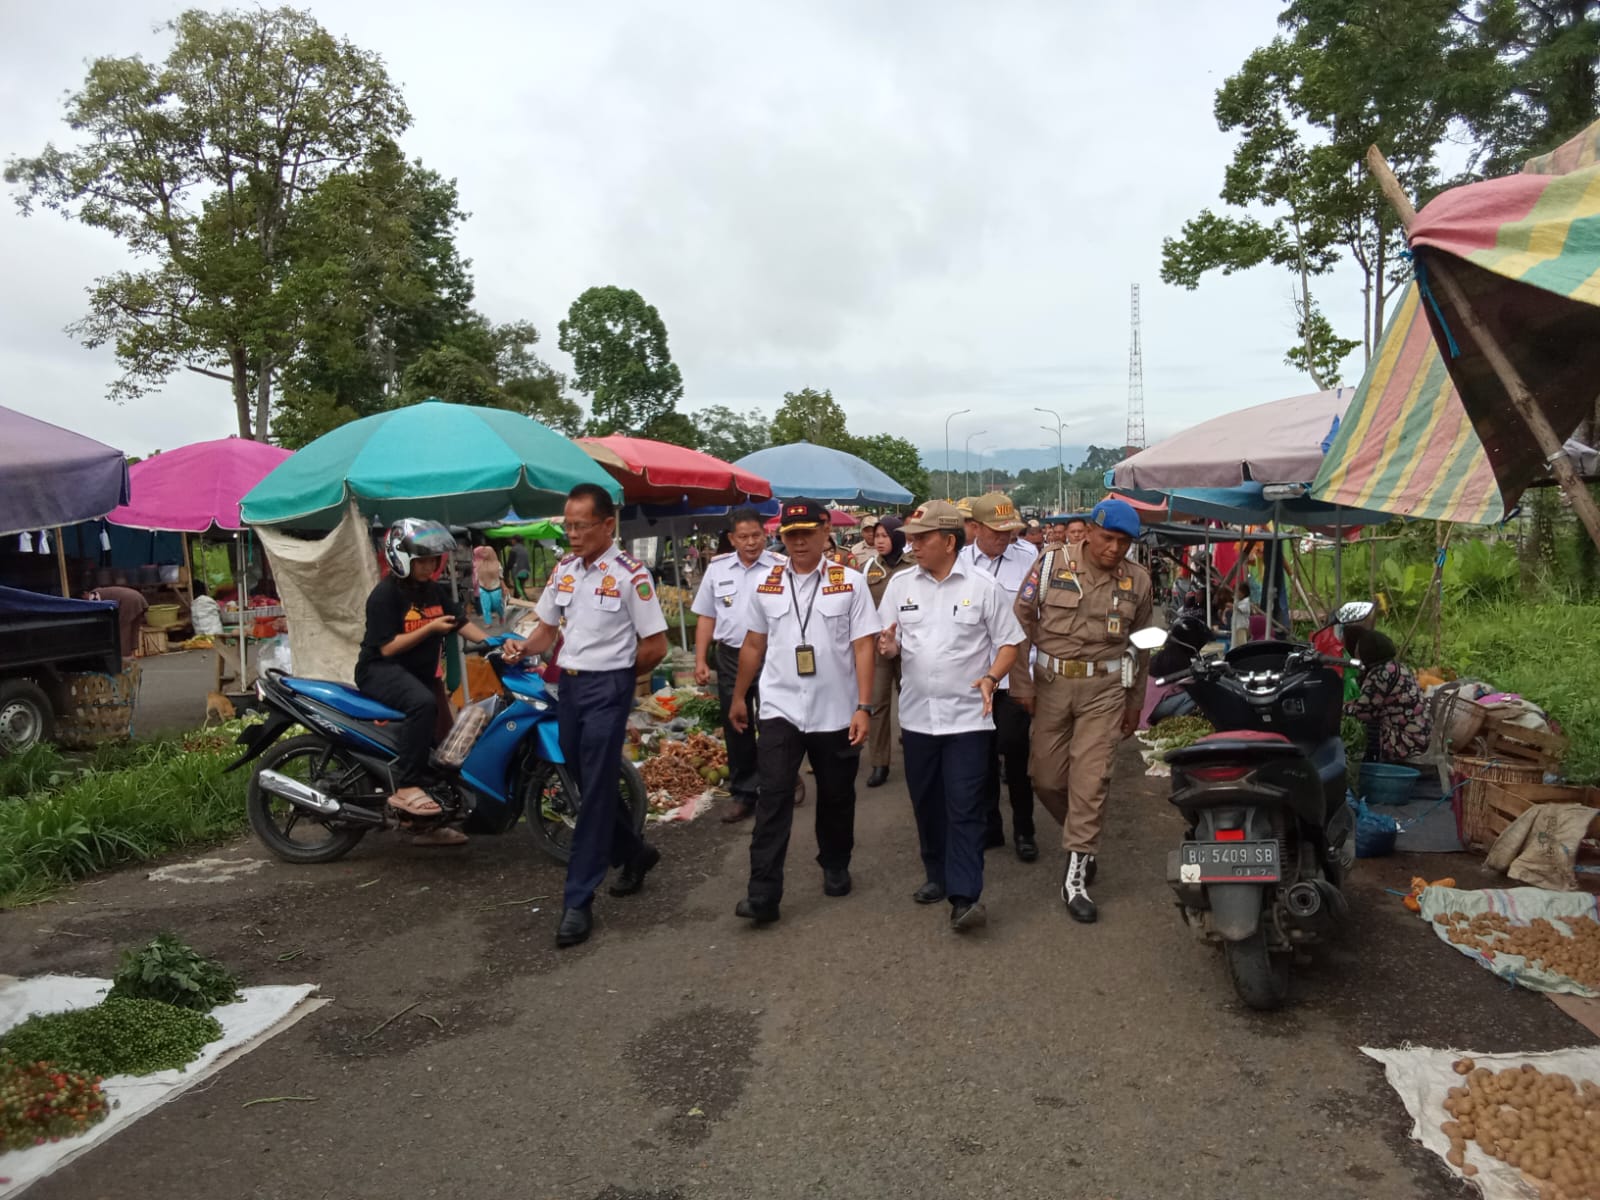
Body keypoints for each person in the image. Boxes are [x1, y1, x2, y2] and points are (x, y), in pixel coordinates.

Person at [508, 484, 670, 948]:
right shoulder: (564, 570)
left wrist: (621, 678)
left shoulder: (630, 575)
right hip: (571, 687)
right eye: (567, 524)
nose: (572, 533)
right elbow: (545, 630)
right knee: (582, 777)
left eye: (580, 525)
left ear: (607, 525)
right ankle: (636, 854)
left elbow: (655, 645)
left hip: (608, 687)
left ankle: (577, 900)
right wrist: (523, 647)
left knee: (595, 790)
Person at [728, 498, 880, 925]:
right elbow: (754, 643)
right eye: (791, 534)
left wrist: (864, 706)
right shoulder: (766, 585)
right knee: (772, 796)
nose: (798, 542)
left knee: (836, 795)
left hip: (835, 709)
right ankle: (763, 894)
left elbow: (863, 645)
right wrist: (740, 696)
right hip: (781, 707)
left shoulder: (849, 583)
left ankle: (835, 861)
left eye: (807, 533)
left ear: (825, 530)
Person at [877, 501, 1025, 930]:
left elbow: (1010, 643)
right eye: (911, 536)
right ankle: (936, 874)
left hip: (968, 720)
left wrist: (992, 677)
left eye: (921, 537)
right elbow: (889, 641)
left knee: (964, 805)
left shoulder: (982, 587)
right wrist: (890, 649)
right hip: (918, 717)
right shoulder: (901, 585)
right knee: (926, 803)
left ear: (948, 540)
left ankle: (965, 895)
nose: (913, 544)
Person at [1012, 498, 1154, 923]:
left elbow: (1142, 645)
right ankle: (1082, 836)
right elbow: (1020, 619)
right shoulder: (1052, 564)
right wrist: (1021, 682)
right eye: (1108, 538)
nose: (1114, 549)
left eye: (1124, 542)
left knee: (1090, 780)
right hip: (1051, 685)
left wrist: (1135, 703)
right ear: (1090, 531)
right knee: (1046, 778)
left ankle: (1076, 875)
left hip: (1105, 689)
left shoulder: (1138, 581)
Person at [355, 519, 498, 845]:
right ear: (401, 558)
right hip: (379, 670)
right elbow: (387, 647)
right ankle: (406, 788)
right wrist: (430, 629)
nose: (430, 566)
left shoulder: (434, 591)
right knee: (422, 704)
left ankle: (426, 826)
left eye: (433, 560)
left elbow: (460, 622)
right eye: (422, 560)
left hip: (417, 676)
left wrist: (497, 645)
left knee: (443, 750)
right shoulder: (384, 595)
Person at [958, 492, 1040, 861]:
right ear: (975, 528)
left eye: (1010, 530)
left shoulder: (1029, 560)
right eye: (996, 531)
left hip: (1014, 678)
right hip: (974, 677)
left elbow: (1039, 616)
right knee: (982, 757)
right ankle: (990, 826)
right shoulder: (958, 563)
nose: (1005, 537)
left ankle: (1025, 830)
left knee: (1017, 756)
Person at [692, 507, 786, 824]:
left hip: (773, 653)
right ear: (732, 539)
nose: (750, 543)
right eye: (743, 537)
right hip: (731, 655)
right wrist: (701, 659)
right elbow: (707, 616)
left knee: (776, 720)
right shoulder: (717, 570)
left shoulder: (781, 567)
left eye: (756, 536)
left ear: (766, 535)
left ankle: (779, 784)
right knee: (737, 725)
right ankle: (744, 793)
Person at [862, 515, 911, 788]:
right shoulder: (868, 567)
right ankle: (879, 763)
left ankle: (916, 750)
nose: (879, 541)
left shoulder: (914, 564)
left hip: (910, 645)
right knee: (878, 705)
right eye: (877, 536)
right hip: (877, 646)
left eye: (885, 536)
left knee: (911, 700)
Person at [1344, 629, 1432, 763]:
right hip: (1422, 735)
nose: (1355, 653)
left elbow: (1364, 711)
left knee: (1365, 729)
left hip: (1405, 741)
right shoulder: (1397, 667)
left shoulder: (1380, 674)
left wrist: (1341, 707)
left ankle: (1367, 767)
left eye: (1358, 649)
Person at [84, 585, 149, 658]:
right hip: (138, 597)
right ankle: (132, 653)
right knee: (133, 628)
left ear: (85, 593)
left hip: (129, 600)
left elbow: (97, 609)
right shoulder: (103, 591)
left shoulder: (93, 595)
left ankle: (125, 656)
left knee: (123, 628)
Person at [472, 544, 505, 627]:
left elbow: (500, 577)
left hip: (495, 588)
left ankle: (501, 615)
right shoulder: (480, 564)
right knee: (485, 606)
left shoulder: (497, 564)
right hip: (483, 587)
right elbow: (476, 575)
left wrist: (504, 587)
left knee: (497, 604)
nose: (484, 554)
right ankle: (488, 622)